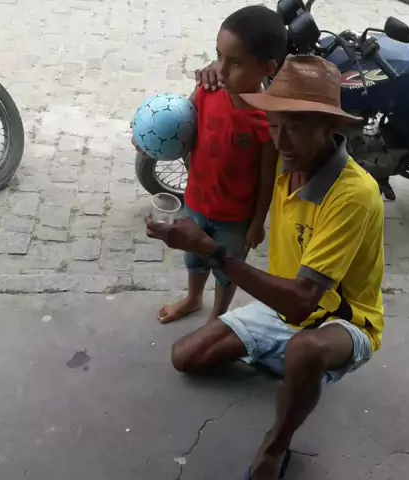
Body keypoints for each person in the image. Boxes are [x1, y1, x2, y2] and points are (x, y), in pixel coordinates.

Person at [146, 55, 385, 480]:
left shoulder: (354, 195)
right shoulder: (287, 161)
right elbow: (225, 114)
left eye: (296, 127)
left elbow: (302, 303)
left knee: (306, 349)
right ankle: (295, 368)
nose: (281, 140)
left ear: (328, 127)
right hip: (283, 306)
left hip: (342, 320)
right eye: (274, 125)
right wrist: (208, 78)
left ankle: (276, 443)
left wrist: (211, 249)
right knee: (185, 357)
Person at [135, 6, 287, 324]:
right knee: (194, 259)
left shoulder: (265, 122)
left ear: (267, 68)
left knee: (226, 269)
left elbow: (266, 179)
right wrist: (148, 140)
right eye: (218, 56)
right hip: (196, 203)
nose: (221, 69)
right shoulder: (207, 90)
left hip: (235, 219)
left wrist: (257, 223)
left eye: (235, 63)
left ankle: (217, 316)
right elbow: (178, 129)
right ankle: (193, 299)